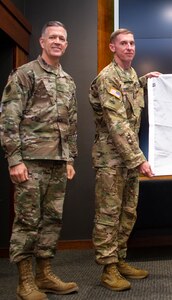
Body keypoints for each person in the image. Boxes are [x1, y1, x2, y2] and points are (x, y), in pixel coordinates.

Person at [0, 21, 79, 299]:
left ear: (66, 45)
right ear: (42, 42)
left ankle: (44, 275)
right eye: (53, 37)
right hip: (30, 161)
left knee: (52, 220)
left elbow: (71, 123)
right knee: (27, 221)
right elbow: (9, 119)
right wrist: (14, 160)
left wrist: (69, 158)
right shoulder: (24, 74)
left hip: (58, 162)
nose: (57, 41)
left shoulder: (68, 81)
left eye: (62, 38)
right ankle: (24, 282)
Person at [89, 28, 160, 291]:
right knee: (108, 213)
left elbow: (130, 95)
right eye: (123, 43)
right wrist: (139, 159)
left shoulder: (130, 76)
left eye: (132, 43)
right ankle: (108, 269)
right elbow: (117, 123)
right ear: (112, 48)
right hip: (111, 159)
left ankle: (119, 260)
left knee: (128, 211)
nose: (129, 47)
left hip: (128, 160)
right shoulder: (108, 78)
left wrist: (145, 80)